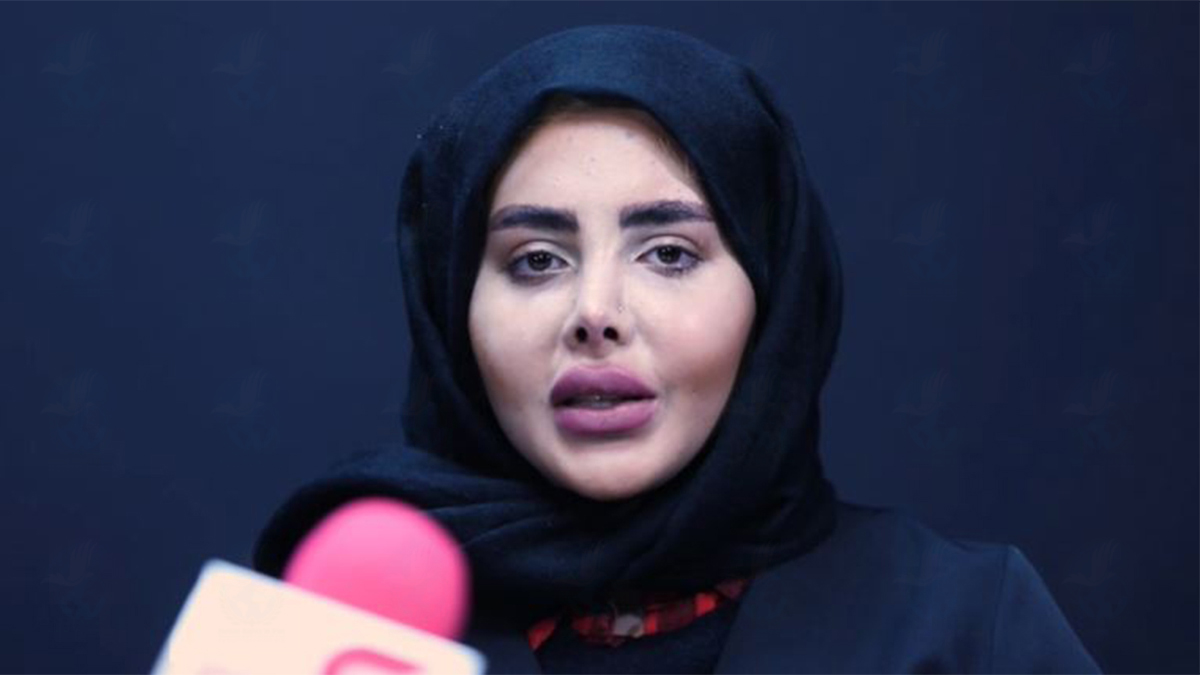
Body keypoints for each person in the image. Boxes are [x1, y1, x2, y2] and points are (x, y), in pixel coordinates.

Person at [252, 24, 1102, 674]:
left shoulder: (963, 626)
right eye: (536, 260)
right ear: (451, 304)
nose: (595, 313)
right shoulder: (347, 629)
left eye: (668, 253)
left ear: (772, 288)